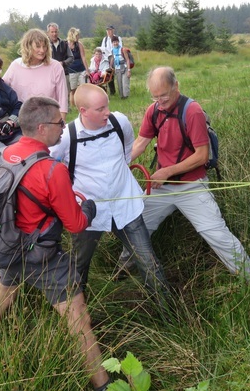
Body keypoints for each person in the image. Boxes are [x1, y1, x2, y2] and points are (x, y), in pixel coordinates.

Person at [0, 96, 110, 391]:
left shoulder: (1, 156)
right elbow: (75, 224)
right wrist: (89, 208)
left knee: (0, 301)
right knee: (79, 321)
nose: (64, 127)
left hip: (8, 249)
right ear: (41, 127)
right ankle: (102, 384)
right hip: (43, 258)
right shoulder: (52, 170)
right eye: (59, 123)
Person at [117, 67, 250, 283]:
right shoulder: (153, 110)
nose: (160, 102)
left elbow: (202, 156)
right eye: (154, 97)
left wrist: (167, 171)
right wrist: (120, 164)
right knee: (137, 227)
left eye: (164, 96)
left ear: (176, 86)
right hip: (162, 188)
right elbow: (141, 142)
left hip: (192, 186)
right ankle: (122, 273)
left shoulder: (192, 111)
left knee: (217, 234)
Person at [49, 84, 171, 305]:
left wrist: (118, 174)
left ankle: (168, 314)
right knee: (79, 265)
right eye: (100, 109)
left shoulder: (118, 121)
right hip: (88, 214)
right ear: (83, 111)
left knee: (148, 261)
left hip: (126, 204)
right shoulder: (67, 136)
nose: (107, 112)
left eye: (107, 106)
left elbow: (127, 149)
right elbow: (49, 166)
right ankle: (76, 318)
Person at [2, 28, 69, 120]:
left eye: (44, 46)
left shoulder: (55, 67)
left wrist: (61, 123)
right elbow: (1, 89)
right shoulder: (15, 66)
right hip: (21, 121)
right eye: (37, 46)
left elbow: (63, 99)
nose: (42, 50)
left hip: (48, 120)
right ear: (28, 46)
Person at [46, 23, 74, 112]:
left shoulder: (64, 43)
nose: (54, 34)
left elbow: (71, 57)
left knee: (65, 92)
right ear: (48, 33)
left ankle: (66, 109)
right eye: (52, 32)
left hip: (64, 72)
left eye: (56, 32)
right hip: (49, 73)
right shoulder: (45, 45)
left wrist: (63, 63)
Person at [66, 27, 88, 108]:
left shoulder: (79, 44)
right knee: (73, 90)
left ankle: (84, 104)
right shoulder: (65, 45)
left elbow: (83, 57)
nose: (78, 37)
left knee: (84, 88)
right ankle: (74, 106)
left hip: (81, 69)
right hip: (71, 71)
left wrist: (87, 70)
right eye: (77, 35)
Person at [101, 26, 120, 95]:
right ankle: (112, 91)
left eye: (110, 30)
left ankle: (121, 89)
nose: (109, 32)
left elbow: (119, 47)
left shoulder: (117, 38)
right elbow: (102, 49)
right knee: (109, 74)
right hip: (107, 58)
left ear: (113, 31)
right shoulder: (105, 39)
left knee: (117, 73)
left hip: (116, 57)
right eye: (107, 30)